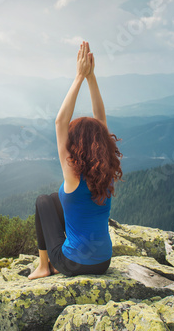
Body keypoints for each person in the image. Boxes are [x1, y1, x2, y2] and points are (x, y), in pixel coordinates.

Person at [28, 41, 123, 280]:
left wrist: (80, 76)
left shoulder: (72, 172)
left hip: (73, 264)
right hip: (103, 262)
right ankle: (48, 263)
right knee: (52, 200)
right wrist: (92, 78)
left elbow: (60, 122)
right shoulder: (107, 170)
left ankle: (44, 266)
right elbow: (100, 121)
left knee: (42, 201)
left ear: (76, 144)